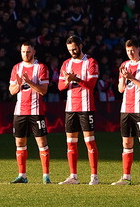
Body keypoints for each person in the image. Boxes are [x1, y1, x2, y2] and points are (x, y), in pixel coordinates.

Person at [57, 35, 101, 185]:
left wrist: (77, 80)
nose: (73, 52)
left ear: (81, 45)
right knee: (71, 142)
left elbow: (91, 85)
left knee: (89, 141)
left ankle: (94, 176)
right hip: (71, 108)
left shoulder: (91, 62)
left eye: (74, 48)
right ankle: (73, 176)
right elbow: (60, 87)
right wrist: (68, 81)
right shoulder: (66, 64)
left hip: (86, 107)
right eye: (70, 50)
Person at [112, 38, 140, 186]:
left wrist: (132, 78)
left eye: (133, 50)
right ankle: (126, 177)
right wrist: (124, 79)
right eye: (128, 51)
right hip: (126, 109)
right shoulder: (124, 65)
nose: (130, 53)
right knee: (126, 142)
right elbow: (120, 89)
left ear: (138, 49)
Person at [8, 41, 52, 184]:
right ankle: (22, 175)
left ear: (33, 51)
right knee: (20, 142)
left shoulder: (41, 68)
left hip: (36, 111)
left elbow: (43, 91)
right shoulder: (16, 68)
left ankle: (46, 176)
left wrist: (29, 82)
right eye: (22, 51)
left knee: (42, 142)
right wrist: (20, 84)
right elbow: (11, 91)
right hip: (20, 111)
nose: (25, 54)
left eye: (28, 51)